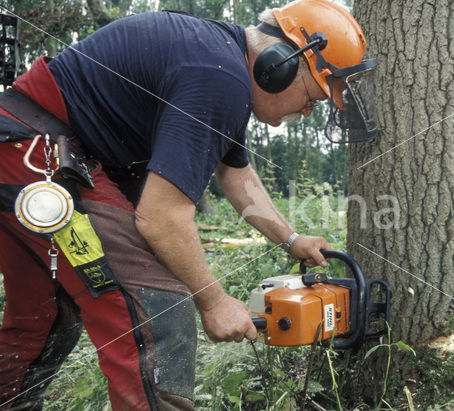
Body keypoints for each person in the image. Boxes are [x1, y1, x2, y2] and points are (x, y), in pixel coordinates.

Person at [0, 0, 377, 409]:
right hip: (43, 159)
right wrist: (214, 302)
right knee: (159, 305)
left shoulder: (219, 64)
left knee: (45, 314)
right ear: (279, 65)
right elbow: (161, 219)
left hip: (23, 151)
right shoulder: (220, 78)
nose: (306, 111)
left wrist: (291, 239)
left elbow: (236, 175)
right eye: (314, 96)